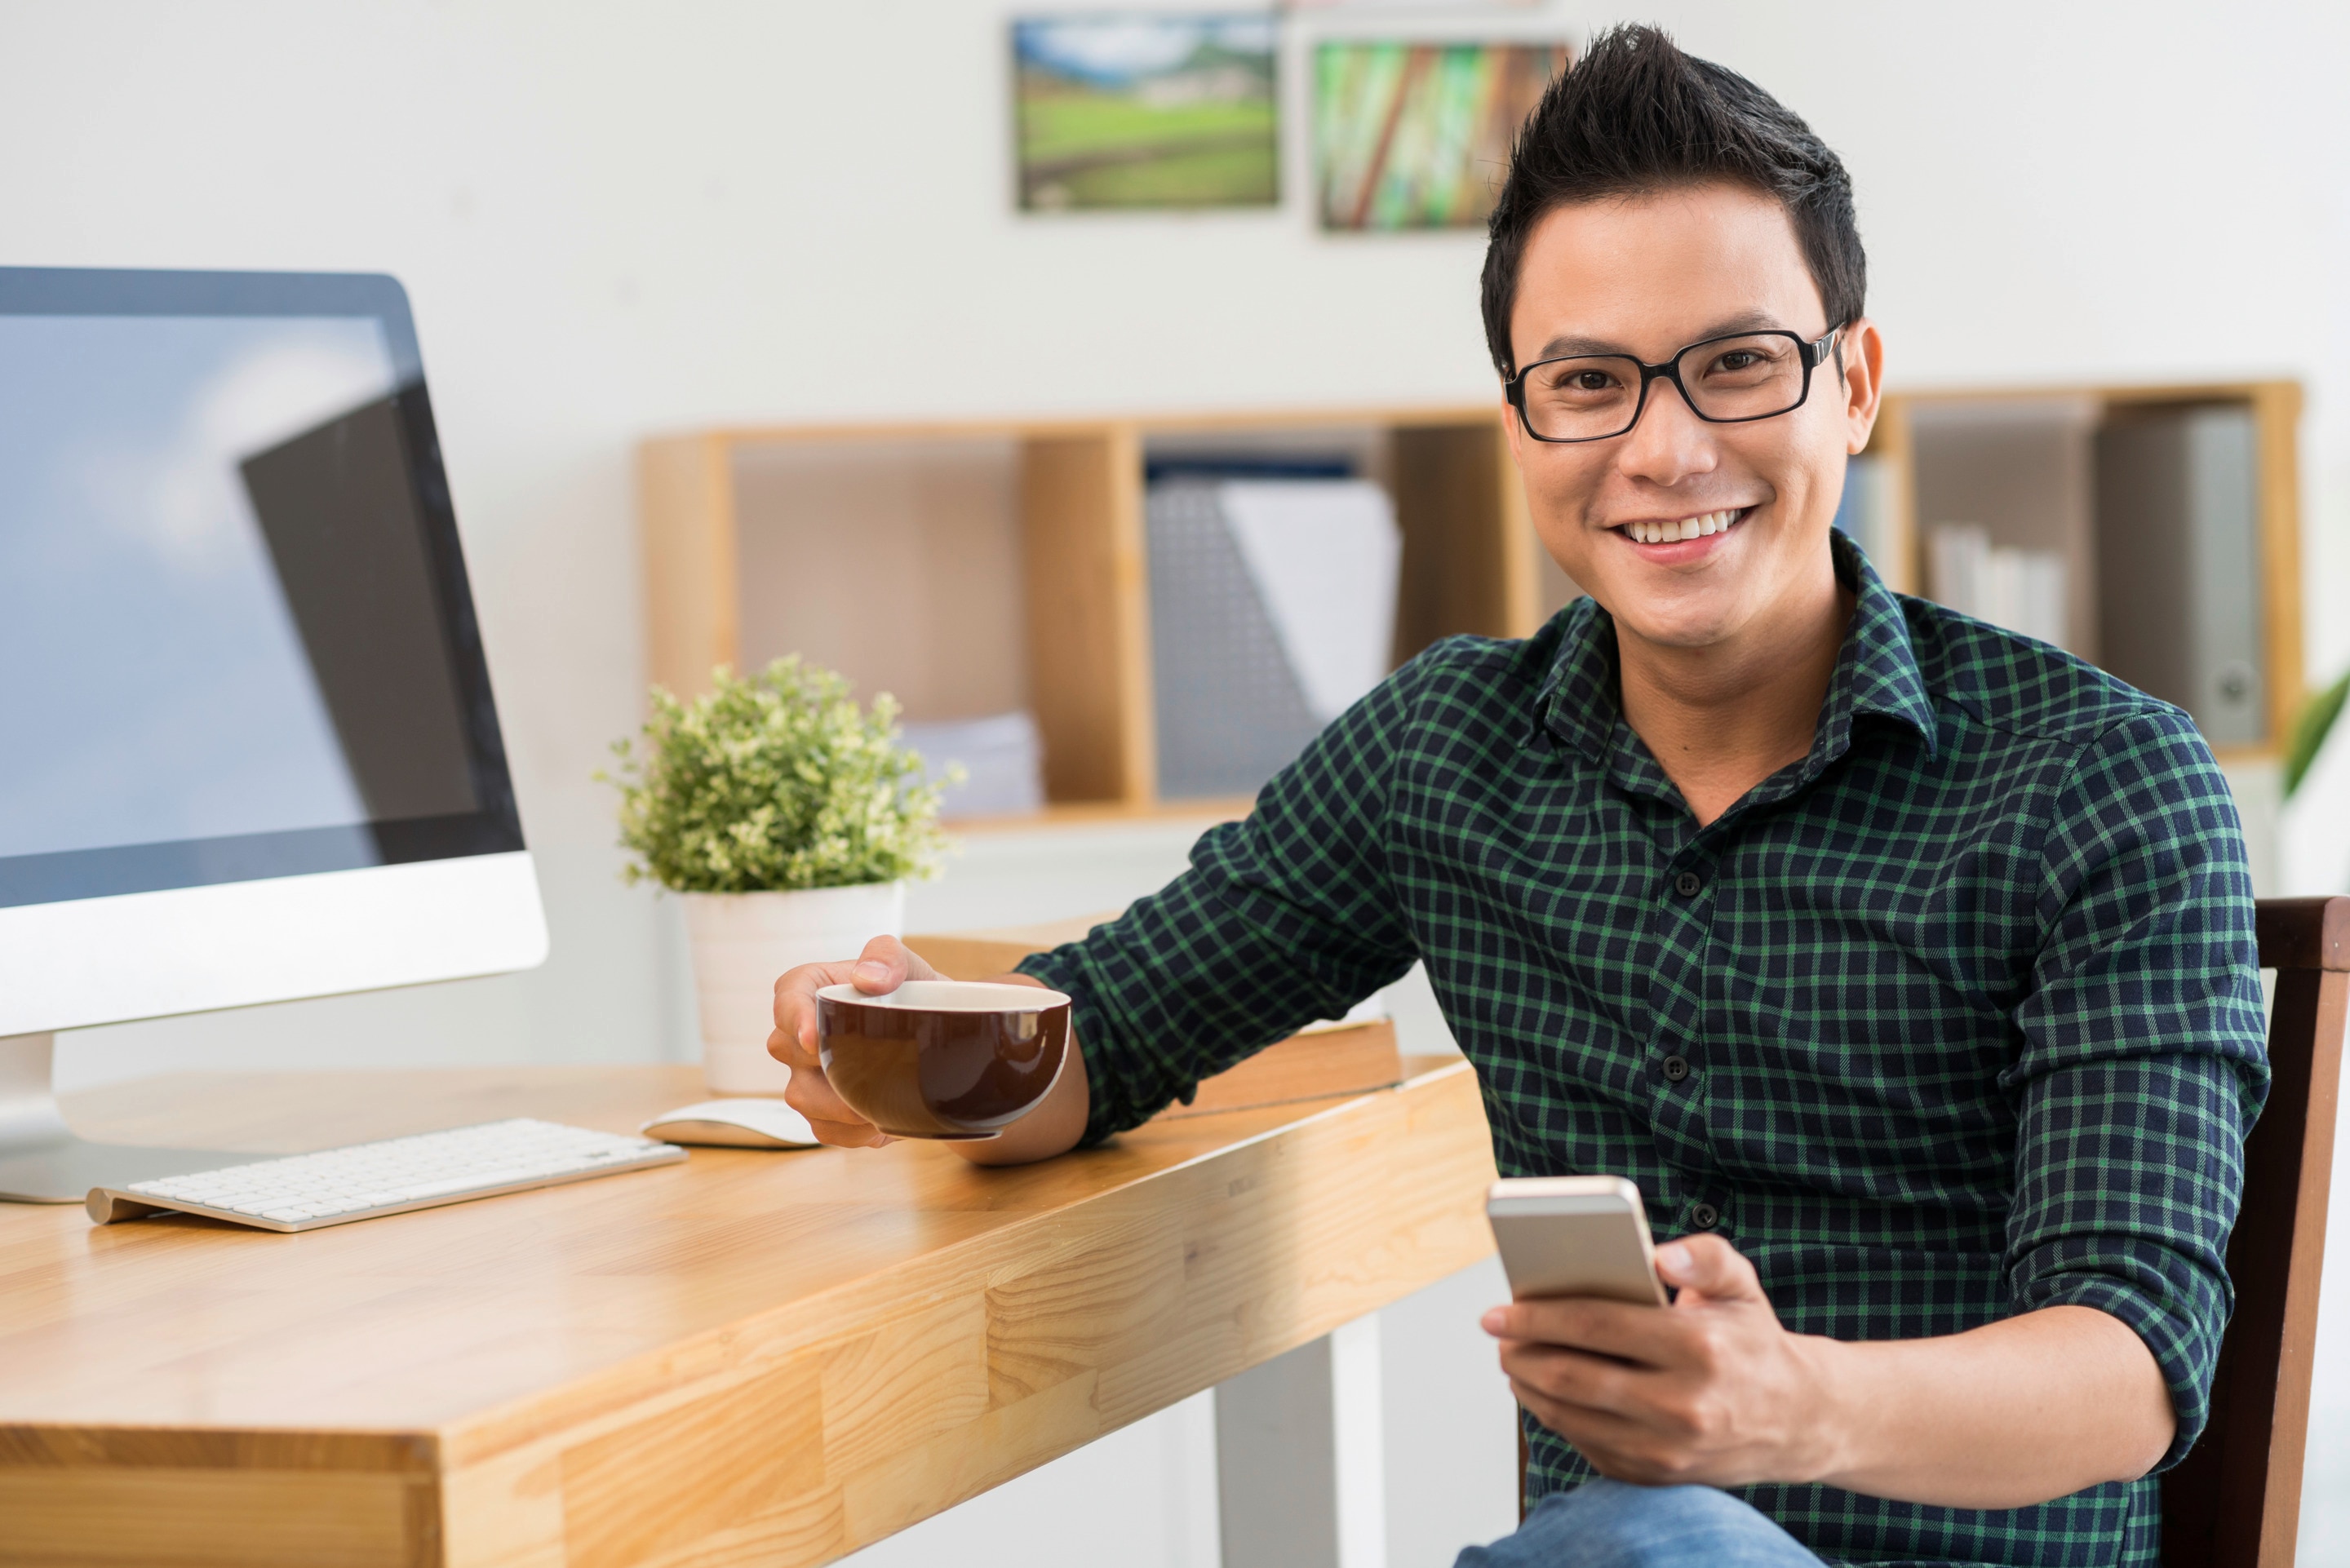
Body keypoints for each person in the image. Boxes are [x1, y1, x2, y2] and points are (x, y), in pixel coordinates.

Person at [771, 24, 2267, 1567]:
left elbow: (2132, 1363)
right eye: (1589, 383)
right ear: (1521, 427)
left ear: (1855, 383)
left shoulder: (2105, 780)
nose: (1664, 450)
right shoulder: (1448, 754)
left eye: (1738, 364)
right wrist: (905, 1049)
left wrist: (1790, 1406)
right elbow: (1107, 1038)